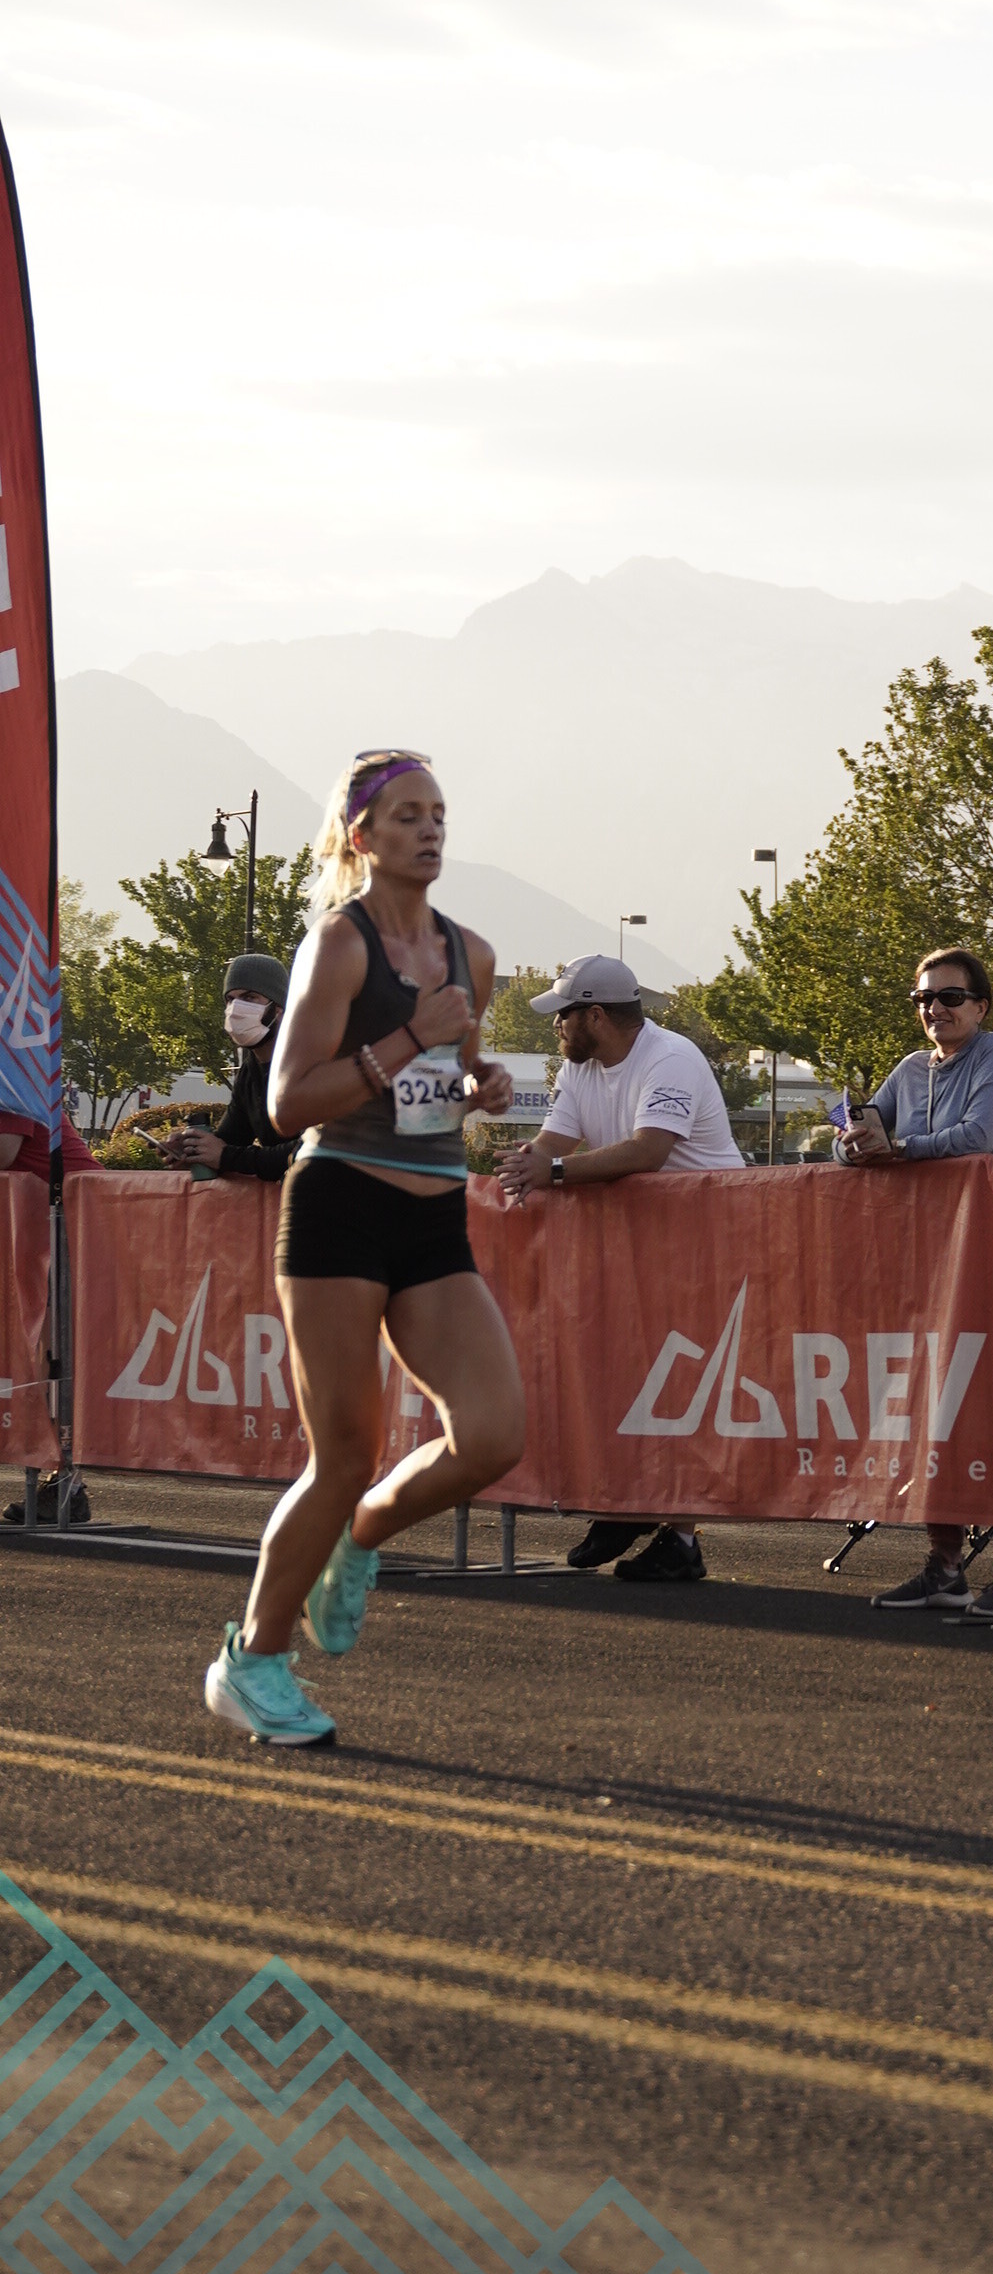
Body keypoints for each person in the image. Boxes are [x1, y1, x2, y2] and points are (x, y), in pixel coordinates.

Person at [202, 749, 524, 1747]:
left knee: (493, 1436)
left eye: (439, 814)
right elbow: (289, 1102)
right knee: (342, 1454)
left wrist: (481, 1086)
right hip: (339, 1204)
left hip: (433, 1215)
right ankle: (251, 1661)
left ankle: (364, 1534)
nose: (429, 831)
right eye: (407, 816)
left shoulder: (472, 952)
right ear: (363, 836)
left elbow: (455, 1070)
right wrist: (406, 1041)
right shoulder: (338, 948)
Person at [499, 955, 741, 1584]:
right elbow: (552, 1144)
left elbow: (647, 1151)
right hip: (636, 1245)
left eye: (563, 1015)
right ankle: (629, 1503)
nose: (556, 1026)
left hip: (707, 1244)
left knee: (679, 1387)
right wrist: (521, 1165)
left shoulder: (671, 1057)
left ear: (597, 1016)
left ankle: (679, 1537)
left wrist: (549, 1172)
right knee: (616, 1373)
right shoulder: (578, 1066)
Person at [834, 946, 993, 1609]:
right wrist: (852, 1144)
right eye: (923, 999)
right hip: (924, 1259)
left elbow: (976, 1137)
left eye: (949, 997)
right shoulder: (912, 1067)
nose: (934, 1009)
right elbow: (856, 1131)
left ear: (981, 1006)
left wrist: (897, 1149)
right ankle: (945, 1566)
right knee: (934, 1407)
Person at [164, 954, 296, 1182]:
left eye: (249, 998)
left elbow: (313, 1151)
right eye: (230, 999)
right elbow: (230, 1140)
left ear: (279, 1008)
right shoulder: (250, 1073)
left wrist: (226, 1157)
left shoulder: (309, 1062)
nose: (236, 1009)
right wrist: (194, 1151)